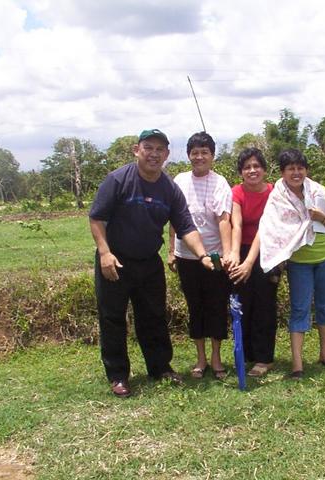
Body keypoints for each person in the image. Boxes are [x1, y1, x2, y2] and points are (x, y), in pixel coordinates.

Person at [89, 128, 214, 398]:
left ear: (167, 154)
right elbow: (96, 217)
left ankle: (160, 368)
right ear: (137, 150)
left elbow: (186, 227)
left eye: (160, 149)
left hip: (149, 262)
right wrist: (104, 253)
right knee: (113, 319)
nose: (154, 154)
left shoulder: (169, 188)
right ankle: (118, 375)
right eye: (149, 148)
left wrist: (203, 255)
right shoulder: (118, 180)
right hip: (115, 261)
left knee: (154, 317)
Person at [259, 148, 325, 379]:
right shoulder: (277, 197)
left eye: (300, 168)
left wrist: (321, 217)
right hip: (299, 262)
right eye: (290, 168)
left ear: (306, 170)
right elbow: (272, 229)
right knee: (300, 308)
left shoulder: (318, 190)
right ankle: (297, 365)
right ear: (283, 172)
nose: (296, 172)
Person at [168, 132, 234, 380]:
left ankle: (216, 358)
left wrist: (227, 254)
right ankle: (200, 359)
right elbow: (174, 220)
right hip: (186, 256)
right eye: (195, 152)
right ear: (188, 156)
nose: (199, 157)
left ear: (212, 156)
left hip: (214, 257)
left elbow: (224, 220)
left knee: (217, 306)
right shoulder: (179, 181)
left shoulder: (220, 182)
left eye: (204, 152)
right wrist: (171, 250)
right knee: (195, 306)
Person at [227, 148, 278, 377]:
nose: (252, 170)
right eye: (247, 167)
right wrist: (235, 256)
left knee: (264, 304)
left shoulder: (273, 192)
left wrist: (248, 263)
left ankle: (264, 358)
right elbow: (236, 225)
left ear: (265, 170)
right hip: (242, 249)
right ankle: (245, 353)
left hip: (267, 251)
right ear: (241, 172)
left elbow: (264, 228)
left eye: (257, 166)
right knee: (242, 302)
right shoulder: (236, 192)